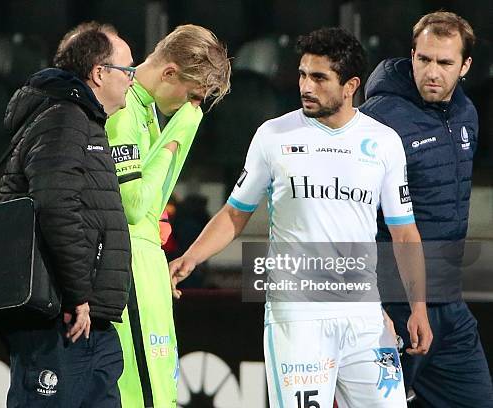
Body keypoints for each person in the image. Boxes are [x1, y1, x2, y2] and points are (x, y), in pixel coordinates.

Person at [170, 27, 433, 408]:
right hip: (297, 318)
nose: (306, 86)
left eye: (319, 77)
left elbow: (404, 233)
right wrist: (190, 258)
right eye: (302, 74)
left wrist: (418, 307)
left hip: (365, 318)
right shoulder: (273, 136)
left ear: (351, 85)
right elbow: (234, 213)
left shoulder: (384, 143)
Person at [360, 11, 493, 407]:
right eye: (424, 59)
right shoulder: (379, 119)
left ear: (466, 66)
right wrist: (374, 305)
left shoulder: (467, 113)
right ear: (412, 55)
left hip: (450, 302)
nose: (432, 72)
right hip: (394, 303)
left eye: (445, 63)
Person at [0, 22, 133, 407]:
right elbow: (55, 206)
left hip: (89, 320)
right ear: (99, 73)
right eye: (128, 70)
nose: (132, 81)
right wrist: (78, 296)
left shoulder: (81, 121)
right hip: (63, 318)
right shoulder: (65, 118)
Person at [105, 24, 231, 408]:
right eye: (192, 96)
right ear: (170, 73)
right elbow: (133, 205)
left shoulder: (145, 111)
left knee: (160, 391)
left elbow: (151, 204)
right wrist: (175, 140)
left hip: (147, 266)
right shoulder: (124, 111)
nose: (192, 106)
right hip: (129, 267)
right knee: (143, 395)